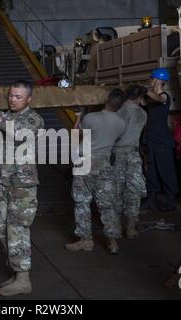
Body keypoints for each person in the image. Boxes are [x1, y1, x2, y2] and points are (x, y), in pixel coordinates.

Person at [0, 80, 44, 296]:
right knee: (2, 225)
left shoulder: (33, 119)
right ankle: (17, 272)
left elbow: (19, 134)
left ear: (28, 99)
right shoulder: (5, 117)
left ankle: (24, 279)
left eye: (18, 97)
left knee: (17, 228)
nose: (13, 100)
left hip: (22, 185)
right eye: (11, 96)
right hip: (3, 180)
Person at [65, 89, 126, 254]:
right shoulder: (121, 123)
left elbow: (77, 134)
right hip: (105, 164)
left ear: (106, 100)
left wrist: (79, 115)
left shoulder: (91, 118)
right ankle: (112, 241)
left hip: (86, 163)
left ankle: (85, 240)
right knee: (107, 204)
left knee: (82, 201)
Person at [111, 84, 148, 240]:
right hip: (133, 156)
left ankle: (116, 227)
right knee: (133, 192)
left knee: (116, 191)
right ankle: (131, 228)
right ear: (139, 98)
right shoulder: (143, 114)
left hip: (116, 155)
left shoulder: (117, 113)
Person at [141, 68, 178, 212]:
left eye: (151, 79)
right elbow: (143, 103)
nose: (150, 81)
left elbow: (158, 98)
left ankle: (170, 200)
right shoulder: (151, 98)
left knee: (166, 170)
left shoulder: (164, 96)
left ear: (157, 80)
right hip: (151, 139)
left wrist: (145, 90)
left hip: (162, 141)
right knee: (152, 170)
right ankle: (151, 200)